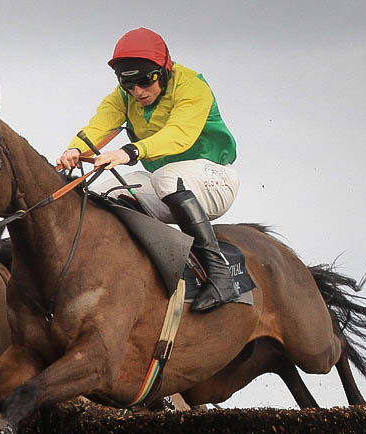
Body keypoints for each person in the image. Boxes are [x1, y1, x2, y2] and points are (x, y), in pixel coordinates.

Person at [56, 28, 240, 312]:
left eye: (145, 81)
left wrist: (129, 152)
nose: (137, 92)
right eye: (129, 84)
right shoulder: (124, 96)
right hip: (164, 185)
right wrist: (74, 150)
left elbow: (178, 135)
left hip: (214, 180)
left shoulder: (192, 86)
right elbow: (98, 126)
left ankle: (220, 276)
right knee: (102, 194)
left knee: (167, 177)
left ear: (164, 71)